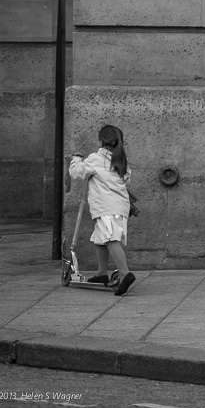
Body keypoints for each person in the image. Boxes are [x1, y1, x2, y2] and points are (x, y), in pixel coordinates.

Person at [69, 124, 136, 296]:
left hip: (106, 208)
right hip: (118, 206)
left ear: (101, 141)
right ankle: (101, 273)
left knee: (111, 239)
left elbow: (76, 172)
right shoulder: (120, 160)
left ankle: (124, 273)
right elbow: (126, 179)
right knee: (101, 238)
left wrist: (76, 159)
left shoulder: (95, 159)